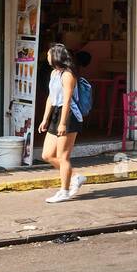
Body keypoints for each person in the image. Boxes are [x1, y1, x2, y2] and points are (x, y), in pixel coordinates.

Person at [38, 43, 86, 203]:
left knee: (62, 156)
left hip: (69, 115)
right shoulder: (54, 74)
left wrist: (63, 123)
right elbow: (51, 98)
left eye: (49, 54)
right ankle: (75, 176)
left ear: (56, 56)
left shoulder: (68, 75)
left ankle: (64, 191)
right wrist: (45, 119)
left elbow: (67, 101)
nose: (47, 56)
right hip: (56, 113)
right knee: (47, 154)